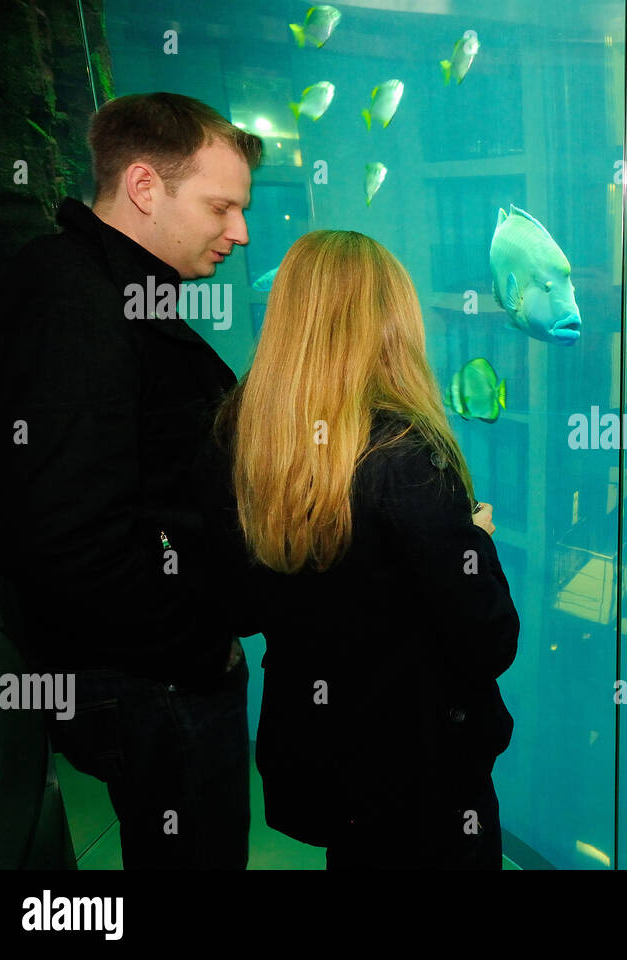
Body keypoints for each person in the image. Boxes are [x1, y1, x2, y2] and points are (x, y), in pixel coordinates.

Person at [0, 92, 262, 868]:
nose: (239, 231)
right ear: (144, 187)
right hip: (150, 681)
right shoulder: (75, 301)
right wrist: (199, 649)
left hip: (146, 673)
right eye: (221, 206)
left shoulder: (101, 286)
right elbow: (68, 534)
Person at [191, 229, 518, 869]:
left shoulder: (238, 437)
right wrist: (473, 541)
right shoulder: (406, 454)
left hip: (324, 758)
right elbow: (489, 640)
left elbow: (240, 606)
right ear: (392, 323)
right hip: (423, 774)